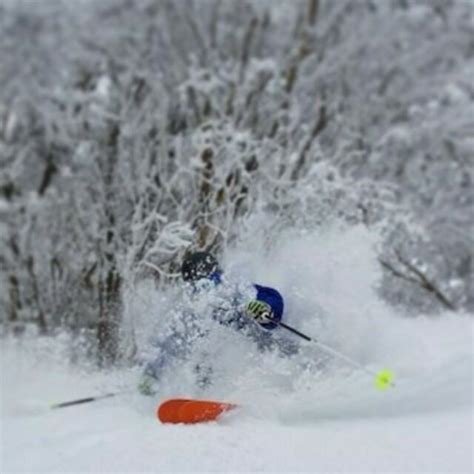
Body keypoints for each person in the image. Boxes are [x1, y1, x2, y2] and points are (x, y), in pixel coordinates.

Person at [138, 251, 296, 395]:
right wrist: (152, 372)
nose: (199, 289)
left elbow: (271, 296)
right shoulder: (191, 311)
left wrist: (265, 308)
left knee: (219, 347)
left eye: (204, 280)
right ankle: (208, 394)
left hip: (271, 355)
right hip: (226, 364)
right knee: (205, 351)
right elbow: (170, 342)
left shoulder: (234, 289)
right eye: (193, 285)